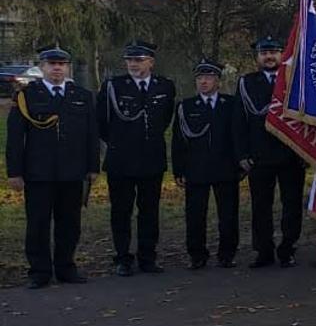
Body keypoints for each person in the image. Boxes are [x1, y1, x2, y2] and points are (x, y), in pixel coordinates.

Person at [9, 45, 99, 288]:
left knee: (69, 224)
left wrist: (92, 167)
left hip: (72, 172)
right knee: (37, 224)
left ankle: (66, 268)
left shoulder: (81, 95)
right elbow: (16, 138)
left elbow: (92, 134)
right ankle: (39, 272)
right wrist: (14, 172)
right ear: (42, 67)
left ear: (67, 67)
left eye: (61, 64)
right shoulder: (27, 96)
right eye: (52, 64)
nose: (57, 68)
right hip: (39, 173)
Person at [99, 39, 176, 276]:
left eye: (139, 60)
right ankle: (123, 257)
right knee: (121, 211)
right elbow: (103, 123)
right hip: (121, 160)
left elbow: (164, 119)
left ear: (151, 62)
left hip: (151, 159)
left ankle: (147, 257)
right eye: (130, 60)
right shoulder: (113, 86)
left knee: (149, 211)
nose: (133, 64)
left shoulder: (165, 87)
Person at [236, 36, 306, 268]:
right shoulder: (246, 83)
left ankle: (288, 248)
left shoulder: (294, 81)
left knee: (292, 204)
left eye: (274, 52)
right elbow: (240, 122)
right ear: (257, 57)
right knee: (260, 206)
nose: (269, 57)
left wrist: (307, 151)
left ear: (282, 55)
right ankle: (263, 250)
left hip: (291, 153)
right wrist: (243, 154)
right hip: (260, 155)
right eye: (264, 53)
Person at [172, 59, 242, 270]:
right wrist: (179, 169)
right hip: (196, 168)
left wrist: (241, 162)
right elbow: (178, 141)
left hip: (225, 167)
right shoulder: (186, 107)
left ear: (218, 81)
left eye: (209, 77)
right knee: (195, 215)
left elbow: (237, 135)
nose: (203, 82)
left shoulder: (230, 104)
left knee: (228, 215)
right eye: (200, 78)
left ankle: (227, 254)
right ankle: (197, 255)